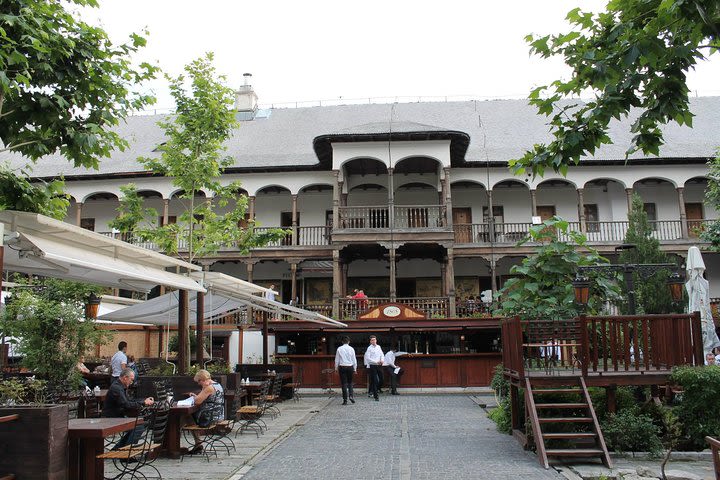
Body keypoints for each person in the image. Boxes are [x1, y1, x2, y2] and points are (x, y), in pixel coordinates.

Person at [102, 368, 154, 449]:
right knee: (139, 426)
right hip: (112, 418)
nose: (132, 382)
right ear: (125, 377)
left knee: (138, 425)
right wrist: (143, 402)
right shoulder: (117, 388)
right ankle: (126, 451)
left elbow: (129, 401)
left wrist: (143, 401)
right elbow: (126, 404)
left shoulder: (120, 386)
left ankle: (118, 449)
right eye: (131, 380)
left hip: (118, 416)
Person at [187, 369, 225, 454]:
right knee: (188, 417)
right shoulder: (217, 385)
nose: (198, 384)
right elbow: (202, 398)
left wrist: (196, 396)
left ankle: (197, 442)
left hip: (209, 418)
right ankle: (197, 443)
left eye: (199, 381)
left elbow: (197, 401)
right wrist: (196, 395)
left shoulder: (209, 388)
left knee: (185, 416)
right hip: (218, 415)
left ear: (203, 379)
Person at [334, 336, 357, 405]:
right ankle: (351, 396)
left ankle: (345, 400)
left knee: (344, 383)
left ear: (342, 342)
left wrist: (336, 368)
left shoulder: (339, 349)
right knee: (350, 383)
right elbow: (354, 359)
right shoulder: (351, 349)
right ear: (349, 341)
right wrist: (355, 368)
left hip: (342, 367)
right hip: (350, 367)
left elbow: (337, 360)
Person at [363, 335, 384, 401]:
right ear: (370, 341)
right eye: (372, 340)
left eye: (374, 340)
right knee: (375, 381)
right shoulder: (369, 348)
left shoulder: (379, 347)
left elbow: (382, 354)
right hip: (373, 366)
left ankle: (373, 391)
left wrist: (382, 360)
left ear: (376, 340)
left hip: (379, 365)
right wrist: (376, 362)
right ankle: (376, 396)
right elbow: (368, 358)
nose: (374, 341)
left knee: (381, 378)